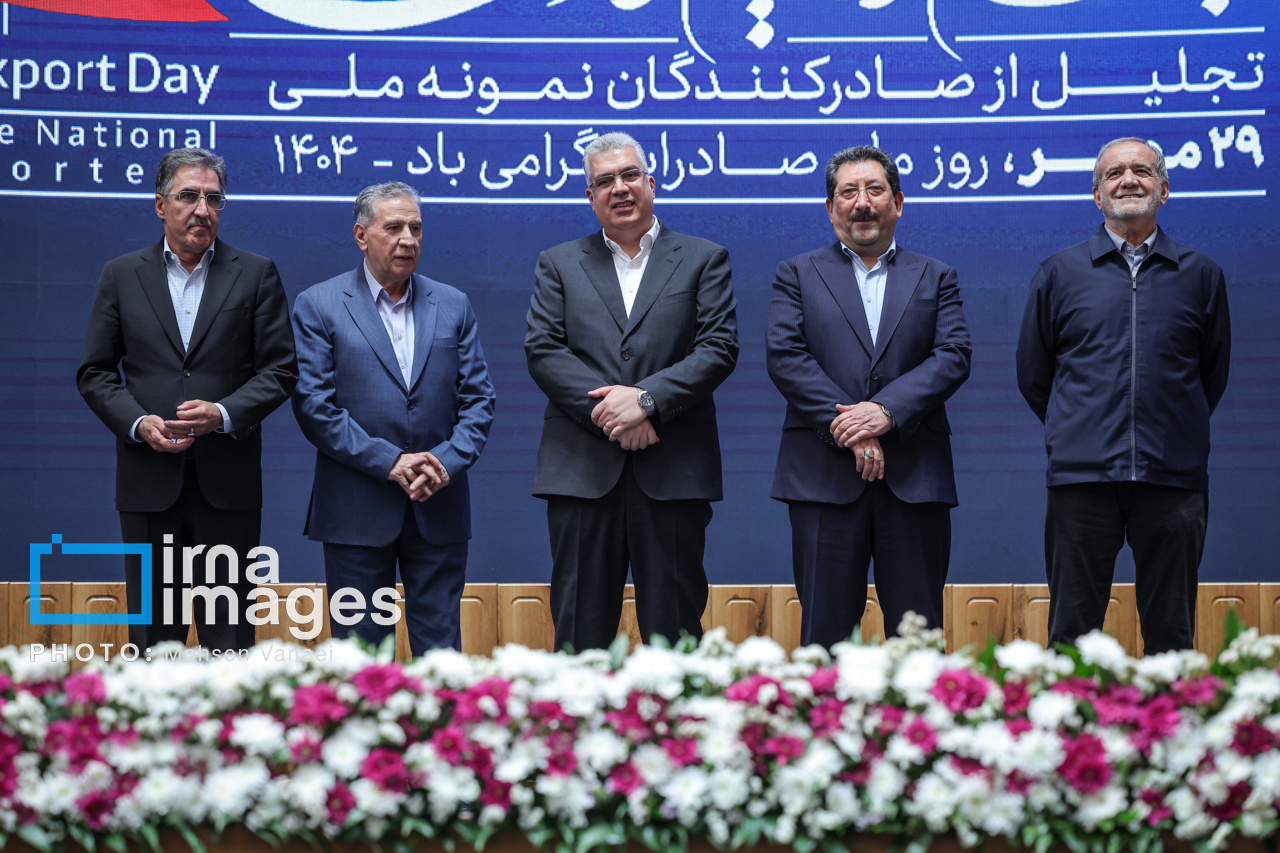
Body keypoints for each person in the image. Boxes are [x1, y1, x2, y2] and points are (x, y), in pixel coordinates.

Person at [77, 147, 298, 653]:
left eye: (214, 199)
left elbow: (281, 370)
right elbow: (95, 372)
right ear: (160, 205)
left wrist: (223, 413)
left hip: (228, 484)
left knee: (230, 640)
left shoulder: (256, 273)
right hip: (149, 482)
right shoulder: (121, 274)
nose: (203, 209)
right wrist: (138, 423)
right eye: (189, 196)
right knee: (155, 642)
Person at [1016, 137, 1231, 654]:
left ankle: (1169, 713)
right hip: (1082, 480)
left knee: (1172, 638)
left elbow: (1211, 373)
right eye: (1114, 173)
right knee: (1072, 636)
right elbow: (1034, 376)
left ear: (1164, 189)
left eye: (1141, 170)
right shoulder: (1058, 273)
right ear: (1097, 194)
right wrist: (1081, 426)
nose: (1128, 180)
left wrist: (1170, 424)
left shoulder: (1201, 273)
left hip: (1173, 479)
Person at [525, 131, 738, 651]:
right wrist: (614, 413)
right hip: (581, 471)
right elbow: (544, 350)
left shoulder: (704, 258)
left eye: (629, 175)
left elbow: (718, 348)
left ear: (651, 183)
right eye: (604, 181)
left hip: (672, 467)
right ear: (590, 196)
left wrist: (646, 401)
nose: (619, 188)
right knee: (579, 638)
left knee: (676, 635)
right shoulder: (558, 262)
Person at [766, 145, 971, 649]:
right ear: (830, 208)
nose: (862, 202)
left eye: (875, 190)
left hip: (914, 476)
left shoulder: (936, 275)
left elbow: (953, 356)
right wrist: (851, 428)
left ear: (897, 202)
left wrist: (885, 412)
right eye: (848, 192)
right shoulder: (797, 273)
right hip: (822, 478)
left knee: (918, 639)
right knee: (824, 641)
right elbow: (786, 356)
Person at [292, 182, 494, 655]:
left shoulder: (453, 303)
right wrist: (390, 462)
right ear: (361, 235)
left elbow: (479, 400)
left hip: (438, 503)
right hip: (356, 509)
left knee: (441, 655)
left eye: (416, 228)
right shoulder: (319, 304)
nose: (408, 239)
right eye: (394, 227)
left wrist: (444, 462)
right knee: (361, 658)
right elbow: (314, 406)